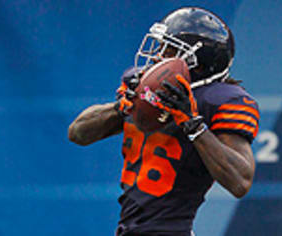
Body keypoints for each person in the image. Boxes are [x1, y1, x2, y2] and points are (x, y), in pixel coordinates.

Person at [68, 7, 259, 236]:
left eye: (169, 50)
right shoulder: (142, 84)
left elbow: (240, 182)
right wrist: (121, 107)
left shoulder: (218, 100)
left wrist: (193, 124)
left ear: (197, 63)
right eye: (159, 47)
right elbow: (78, 133)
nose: (158, 56)